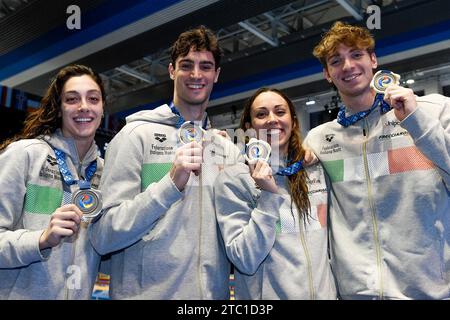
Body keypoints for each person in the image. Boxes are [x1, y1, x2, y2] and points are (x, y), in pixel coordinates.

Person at [89, 25, 241, 299]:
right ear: (172, 70)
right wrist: (169, 185)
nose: (196, 75)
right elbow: (104, 235)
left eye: (205, 67)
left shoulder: (226, 150)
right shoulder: (136, 136)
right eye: (186, 65)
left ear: (216, 75)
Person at [304, 21, 450, 299]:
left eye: (356, 55)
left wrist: (416, 121)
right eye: (336, 61)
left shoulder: (434, 110)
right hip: (356, 294)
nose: (347, 66)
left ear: (373, 59)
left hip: (430, 291)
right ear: (327, 73)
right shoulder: (318, 140)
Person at [214, 87, 337, 299]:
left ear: (294, 121)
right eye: (261, 114)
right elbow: (244, 259)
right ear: (249, 129)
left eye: (280, 112)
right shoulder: (234, 179)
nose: (272, 119)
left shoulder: (313, 168)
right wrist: (268, 198)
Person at [0, 64, 106, 299]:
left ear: (102, 108)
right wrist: (41, 239)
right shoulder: (24, 155)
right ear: (59, 109)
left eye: (93, 99)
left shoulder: (104, 171)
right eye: (72, 99)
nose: (84, 107)